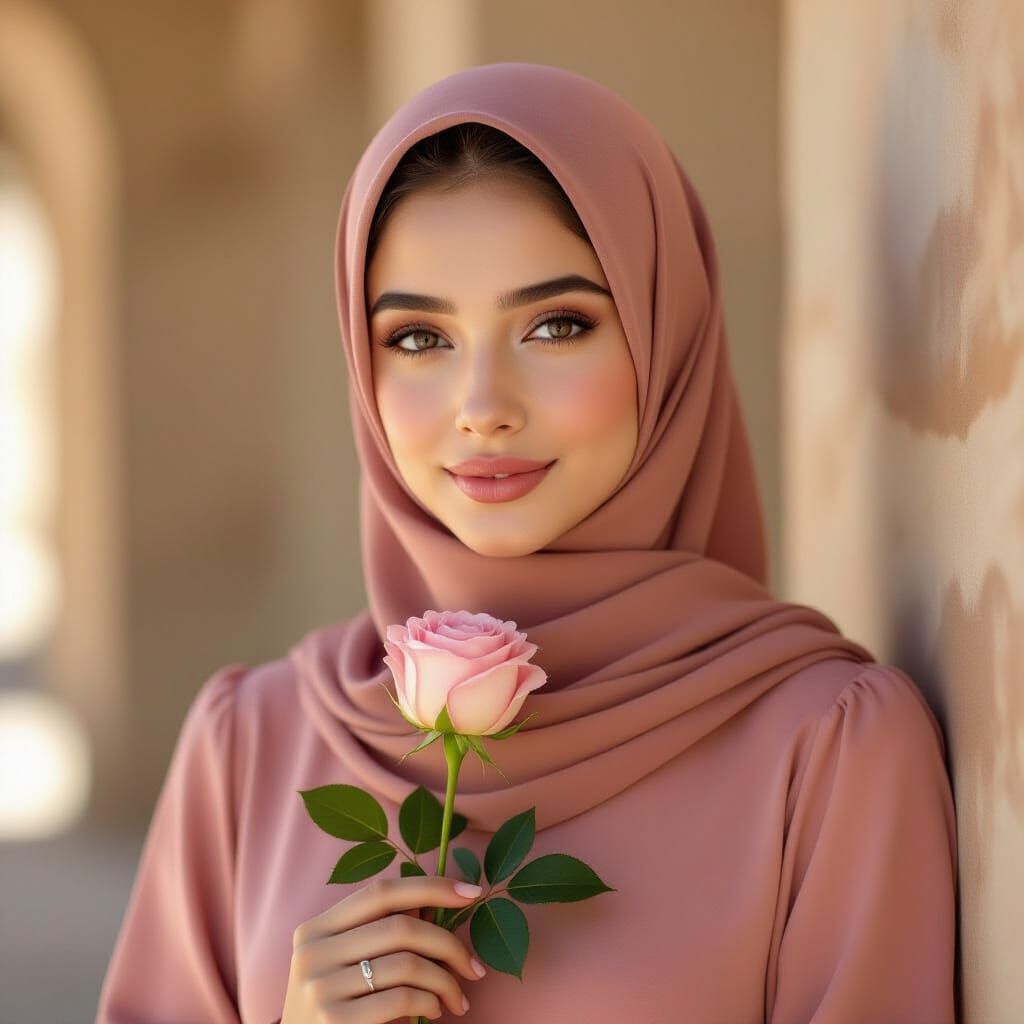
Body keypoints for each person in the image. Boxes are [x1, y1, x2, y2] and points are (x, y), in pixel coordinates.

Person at [95, 62, 958, 1023]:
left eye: (556, 325)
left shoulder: (829, 748)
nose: (482, 410)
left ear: (664, 340)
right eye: (420, 338)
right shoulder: (248, 751)